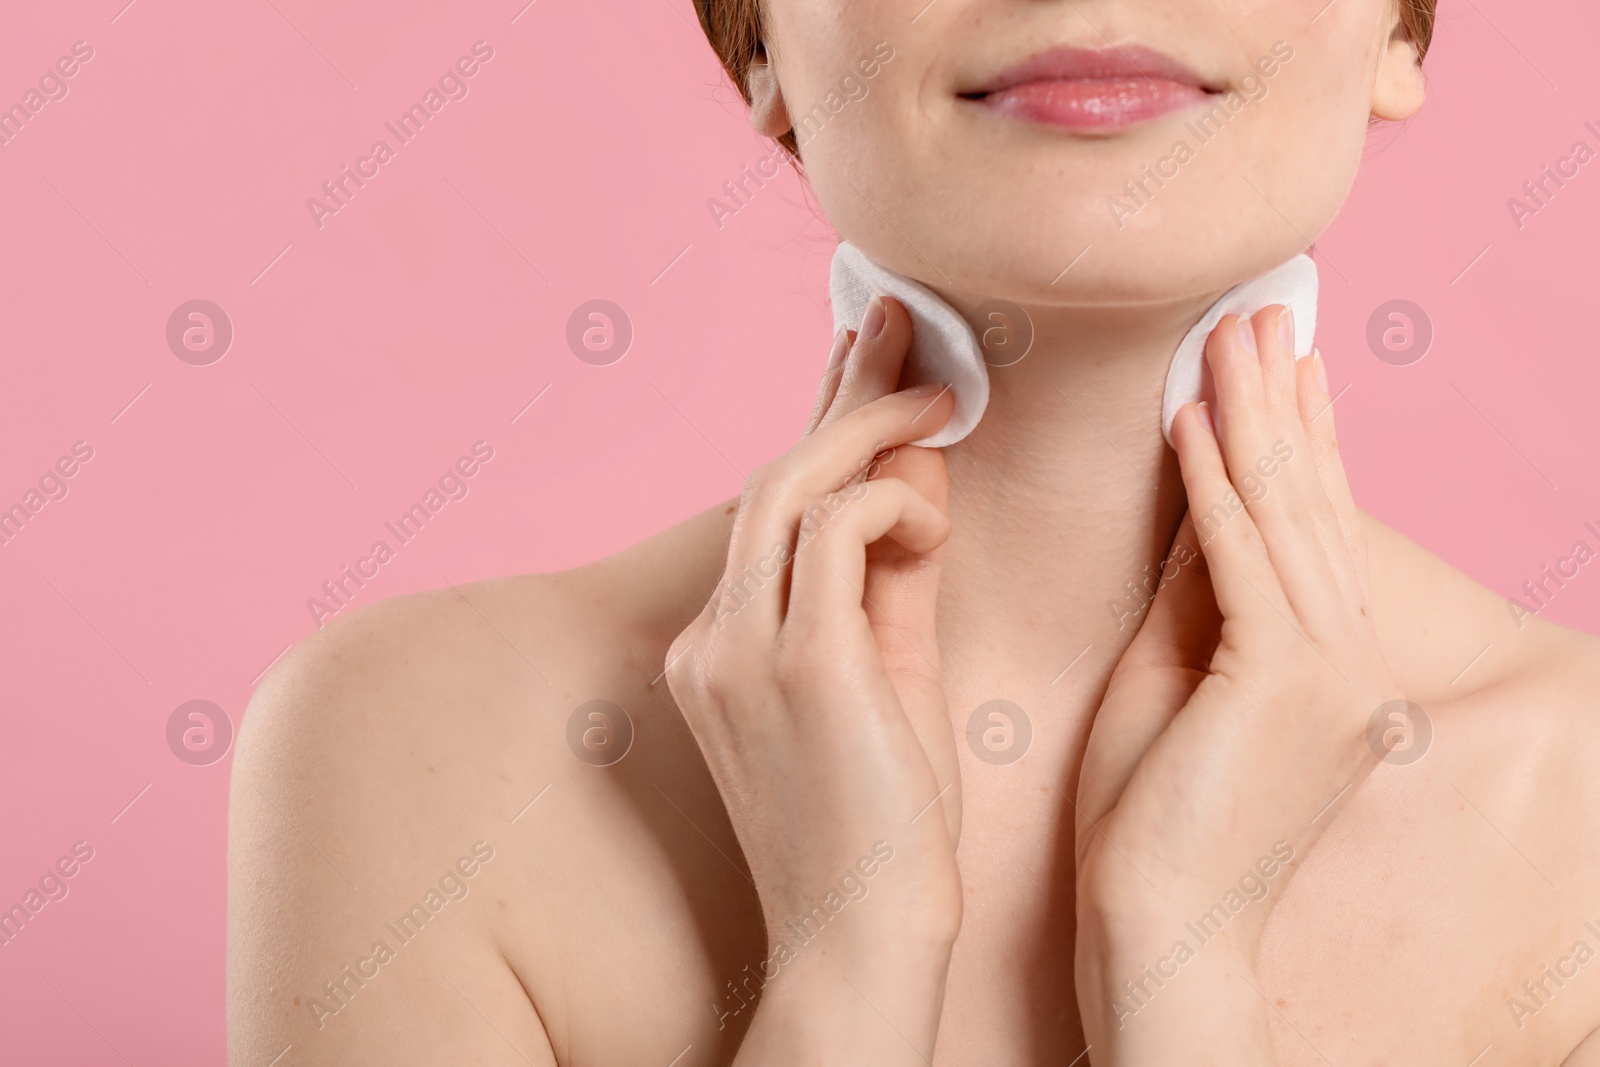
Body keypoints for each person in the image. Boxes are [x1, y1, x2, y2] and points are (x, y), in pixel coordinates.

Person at [228, 0, 1600, 1062]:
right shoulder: (414, 749)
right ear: (759, 44)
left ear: (1401, 30)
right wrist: (846, 973)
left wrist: (1184, 979)